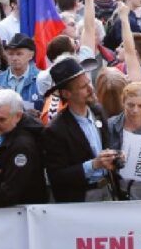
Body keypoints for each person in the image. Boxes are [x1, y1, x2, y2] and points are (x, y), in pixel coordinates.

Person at [43, 57, 122, 202]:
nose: (91, 89)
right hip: (81, 198)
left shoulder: (97, 111)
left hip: (108, 191)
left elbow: (106, 146)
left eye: (89, 83)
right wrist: (93, 165)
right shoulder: (55, 129)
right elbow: (56, 176)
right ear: (67, 94)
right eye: (82, 87)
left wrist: (116, 157)